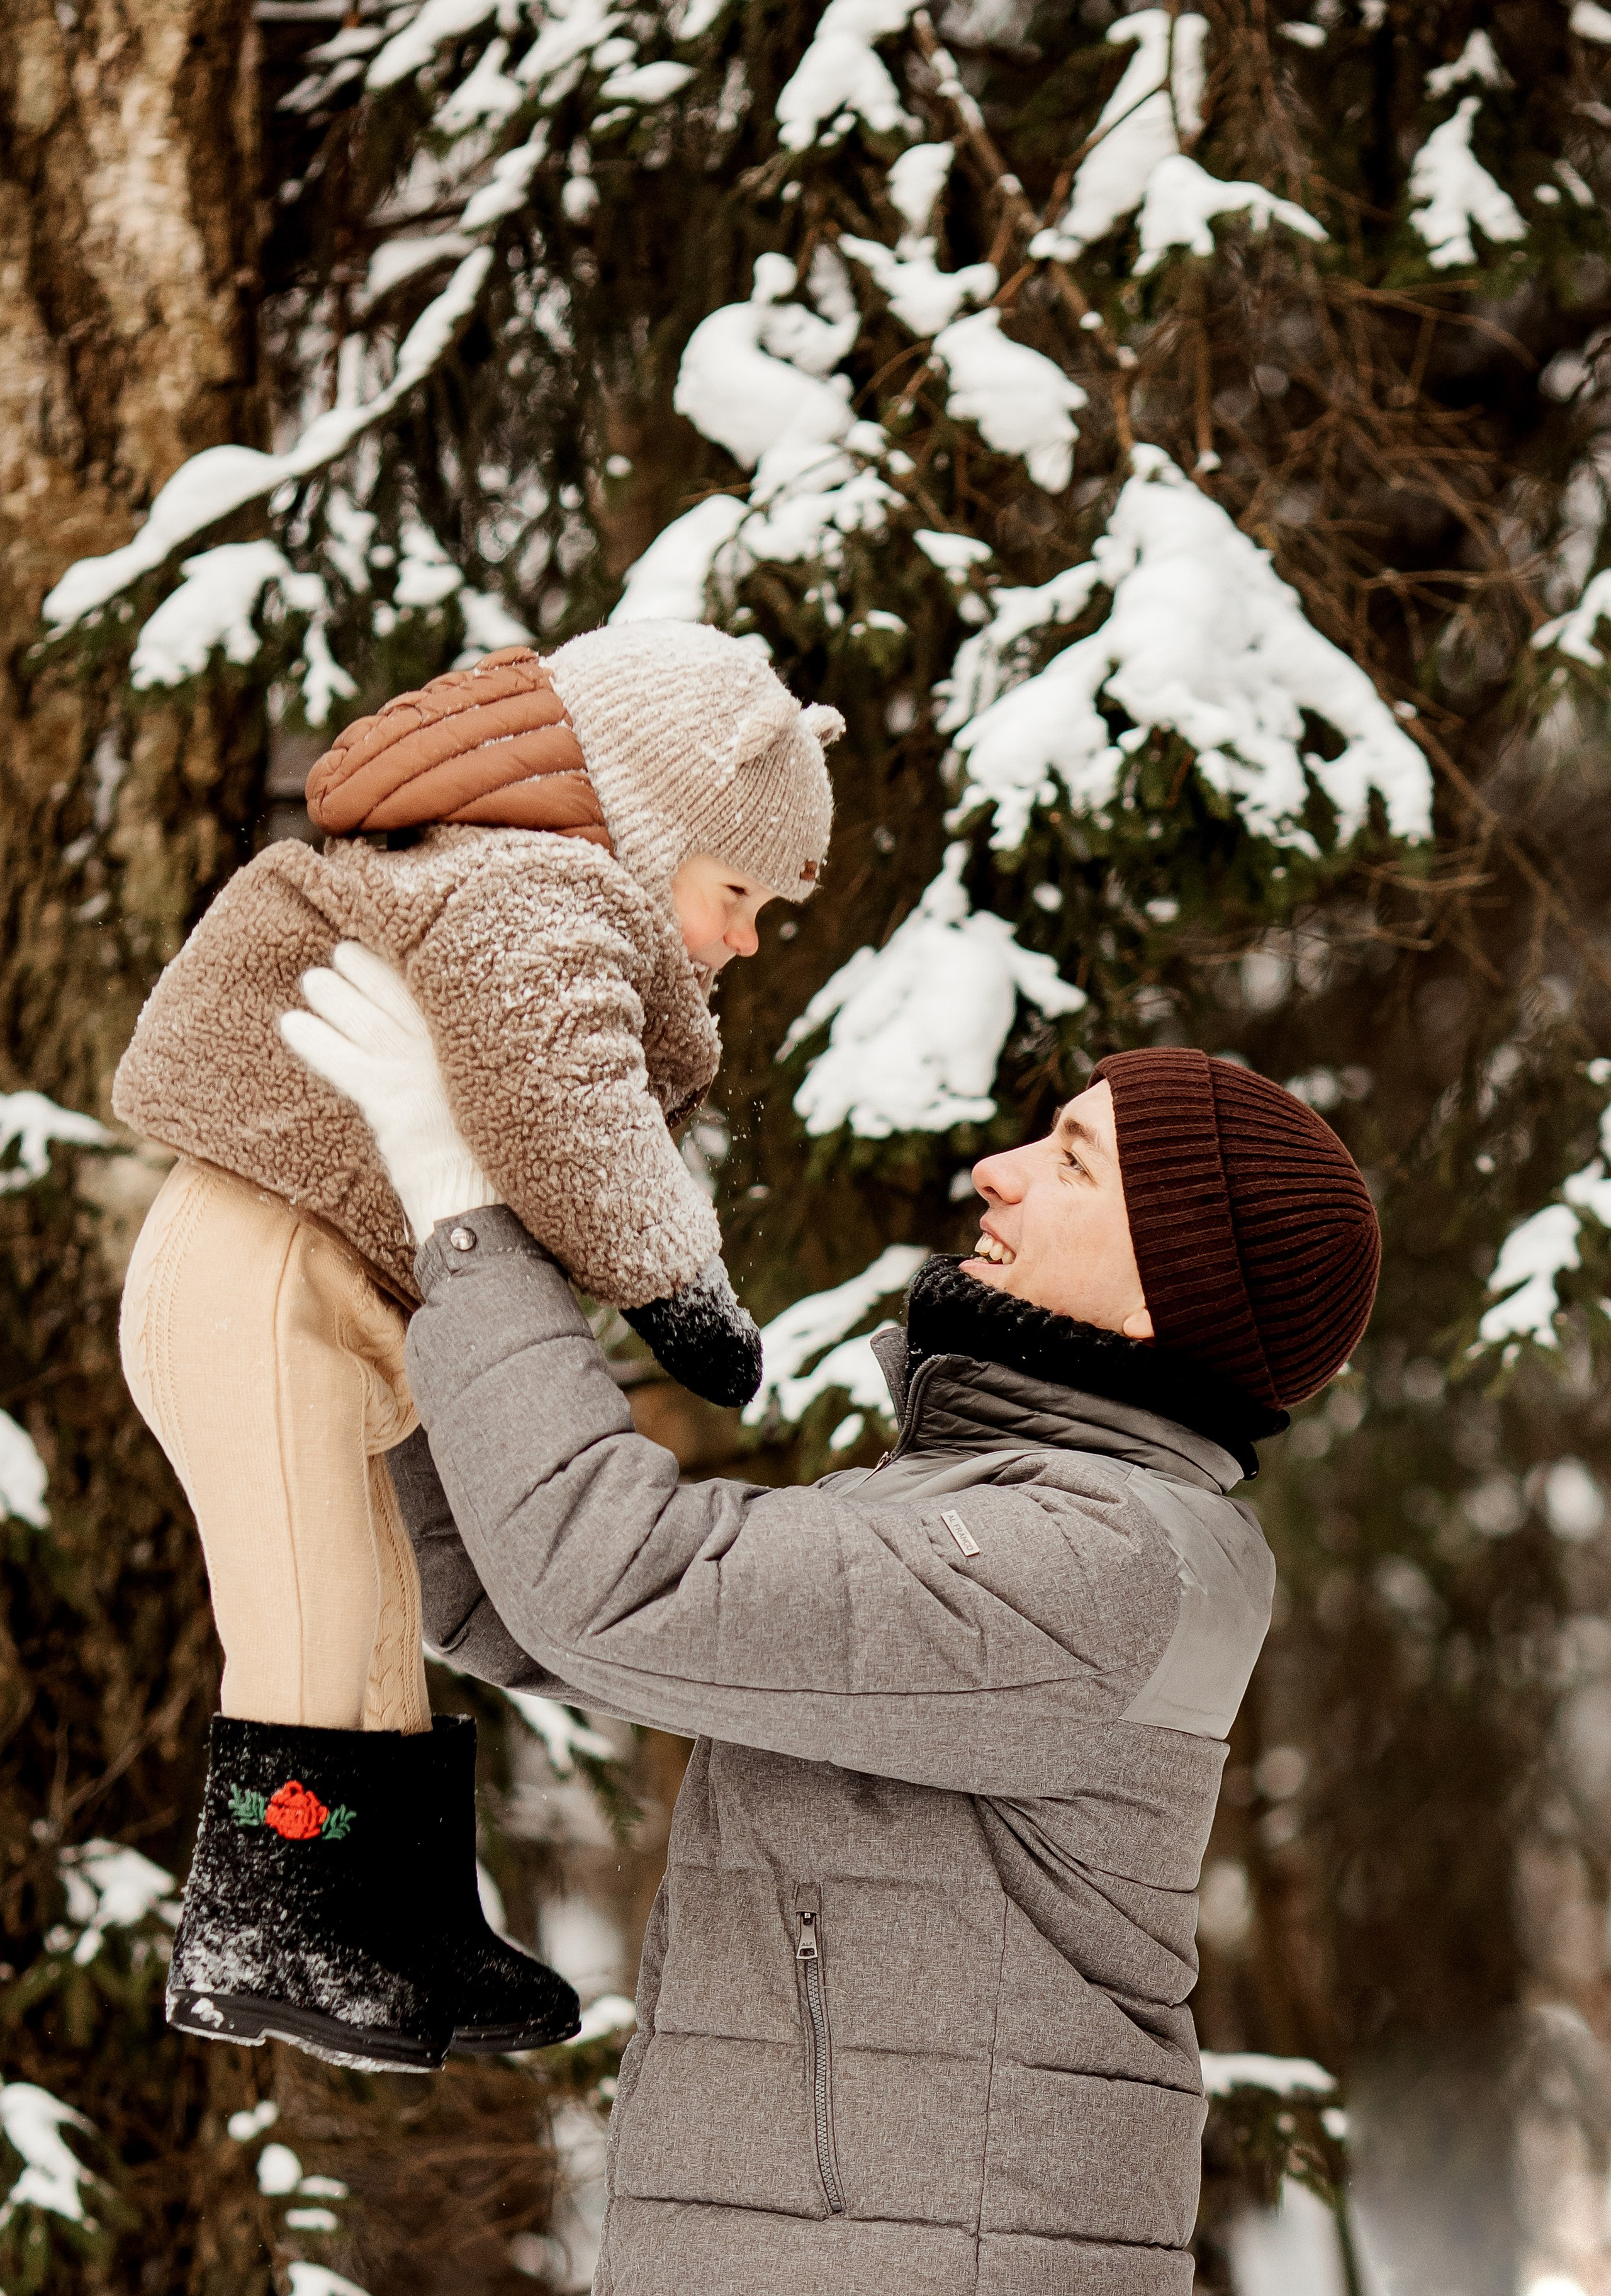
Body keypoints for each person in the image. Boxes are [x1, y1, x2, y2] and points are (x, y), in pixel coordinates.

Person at [284, 960, 1380, 2293]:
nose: (996, 1166)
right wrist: (399, 1301)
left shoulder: (1095, 1561)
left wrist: (463, 1215)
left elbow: (617, 1582)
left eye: (1074, 1162)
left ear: (1166, 1297)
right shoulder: (1002, 1505)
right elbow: (529, 1600)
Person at [114, 620, 842, 2072]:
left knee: (378, 1630)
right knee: (314, 1628)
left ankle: (394, 1917)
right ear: (653, 821)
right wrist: (677, 1283)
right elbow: (558, 1094)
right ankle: (275, 1923)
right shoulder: (531, 888)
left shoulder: (515, 880)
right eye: (741, 889)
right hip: (261, 1283)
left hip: (316, 1295)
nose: (747, 936)